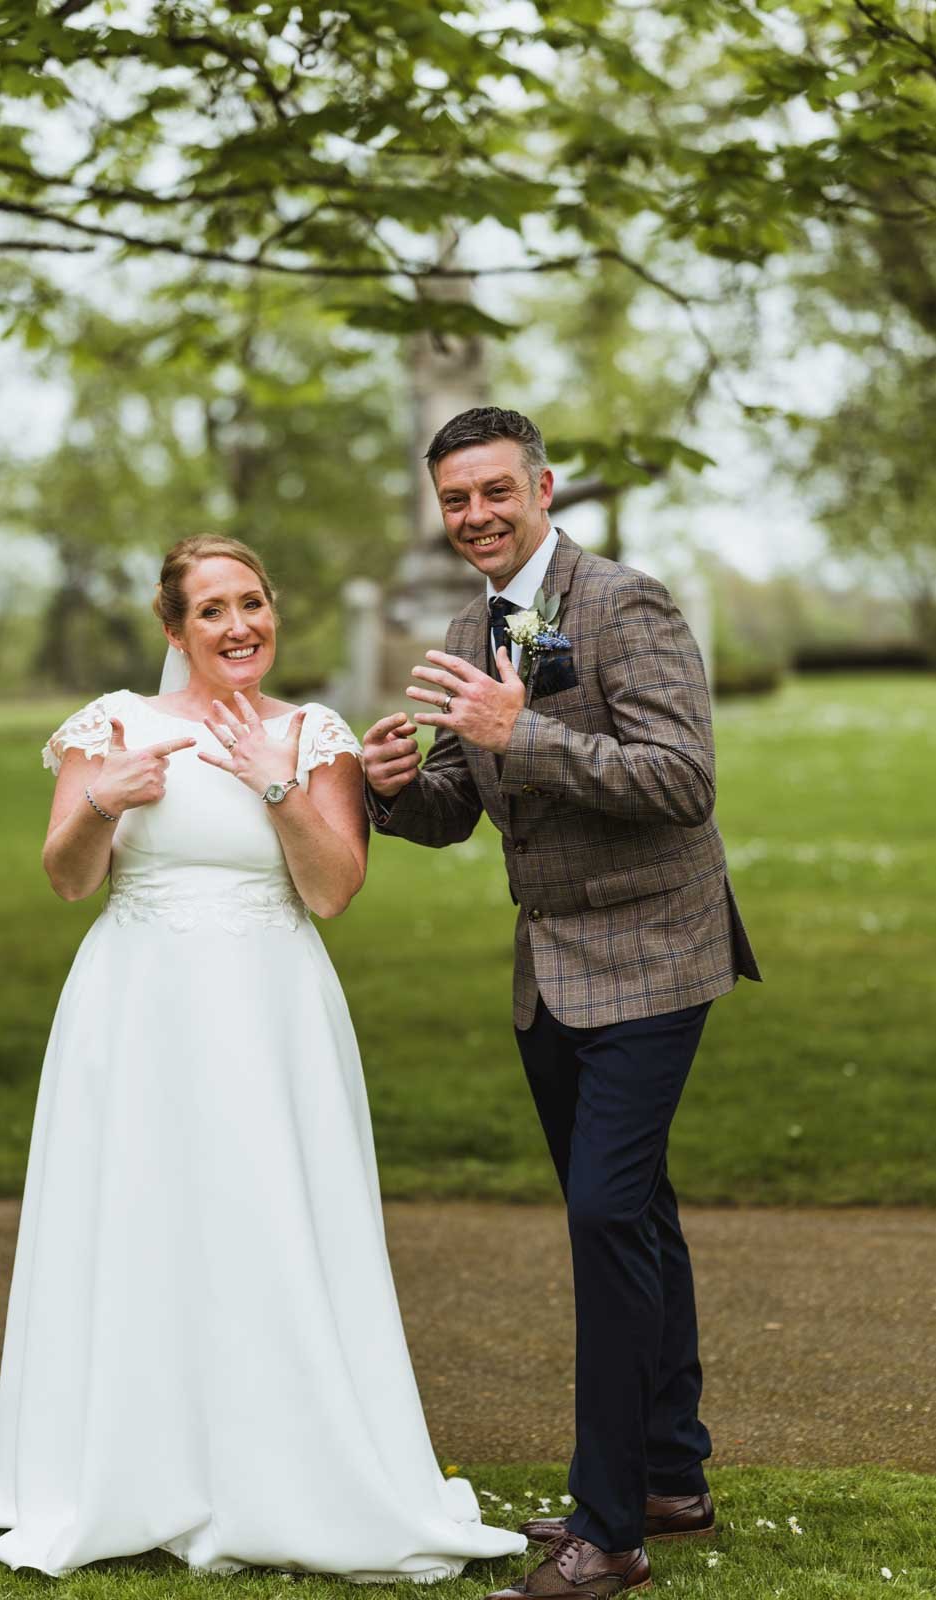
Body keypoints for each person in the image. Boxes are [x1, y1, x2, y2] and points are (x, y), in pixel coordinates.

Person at [0, 533, 526, 1581]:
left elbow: (333, 889)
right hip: (135, 1003)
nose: (239, 625)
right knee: (137, 1209)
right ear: (173, 628)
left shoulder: (313, 731)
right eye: (211, 609)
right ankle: (121, 1456)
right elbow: (69, 879)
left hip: (270, 1008)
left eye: (252, 602)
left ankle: (286, 1458)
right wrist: (106, 799)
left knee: (267, 1210)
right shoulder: (112, 725)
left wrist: (277, 785)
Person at [363, 409, 761, 1600]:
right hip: (551, 967)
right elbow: (463, 801)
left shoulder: (623, 603)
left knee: (601, 1212)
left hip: (654, 951)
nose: (476, 514)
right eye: (455, 500)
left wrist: (516, 728)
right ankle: (669, 1478)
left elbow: (682, 782)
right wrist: (397, 786)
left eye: (495, 490)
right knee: (632, 1209)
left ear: (540, 486)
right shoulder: (464, 625)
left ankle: (609, 1529)